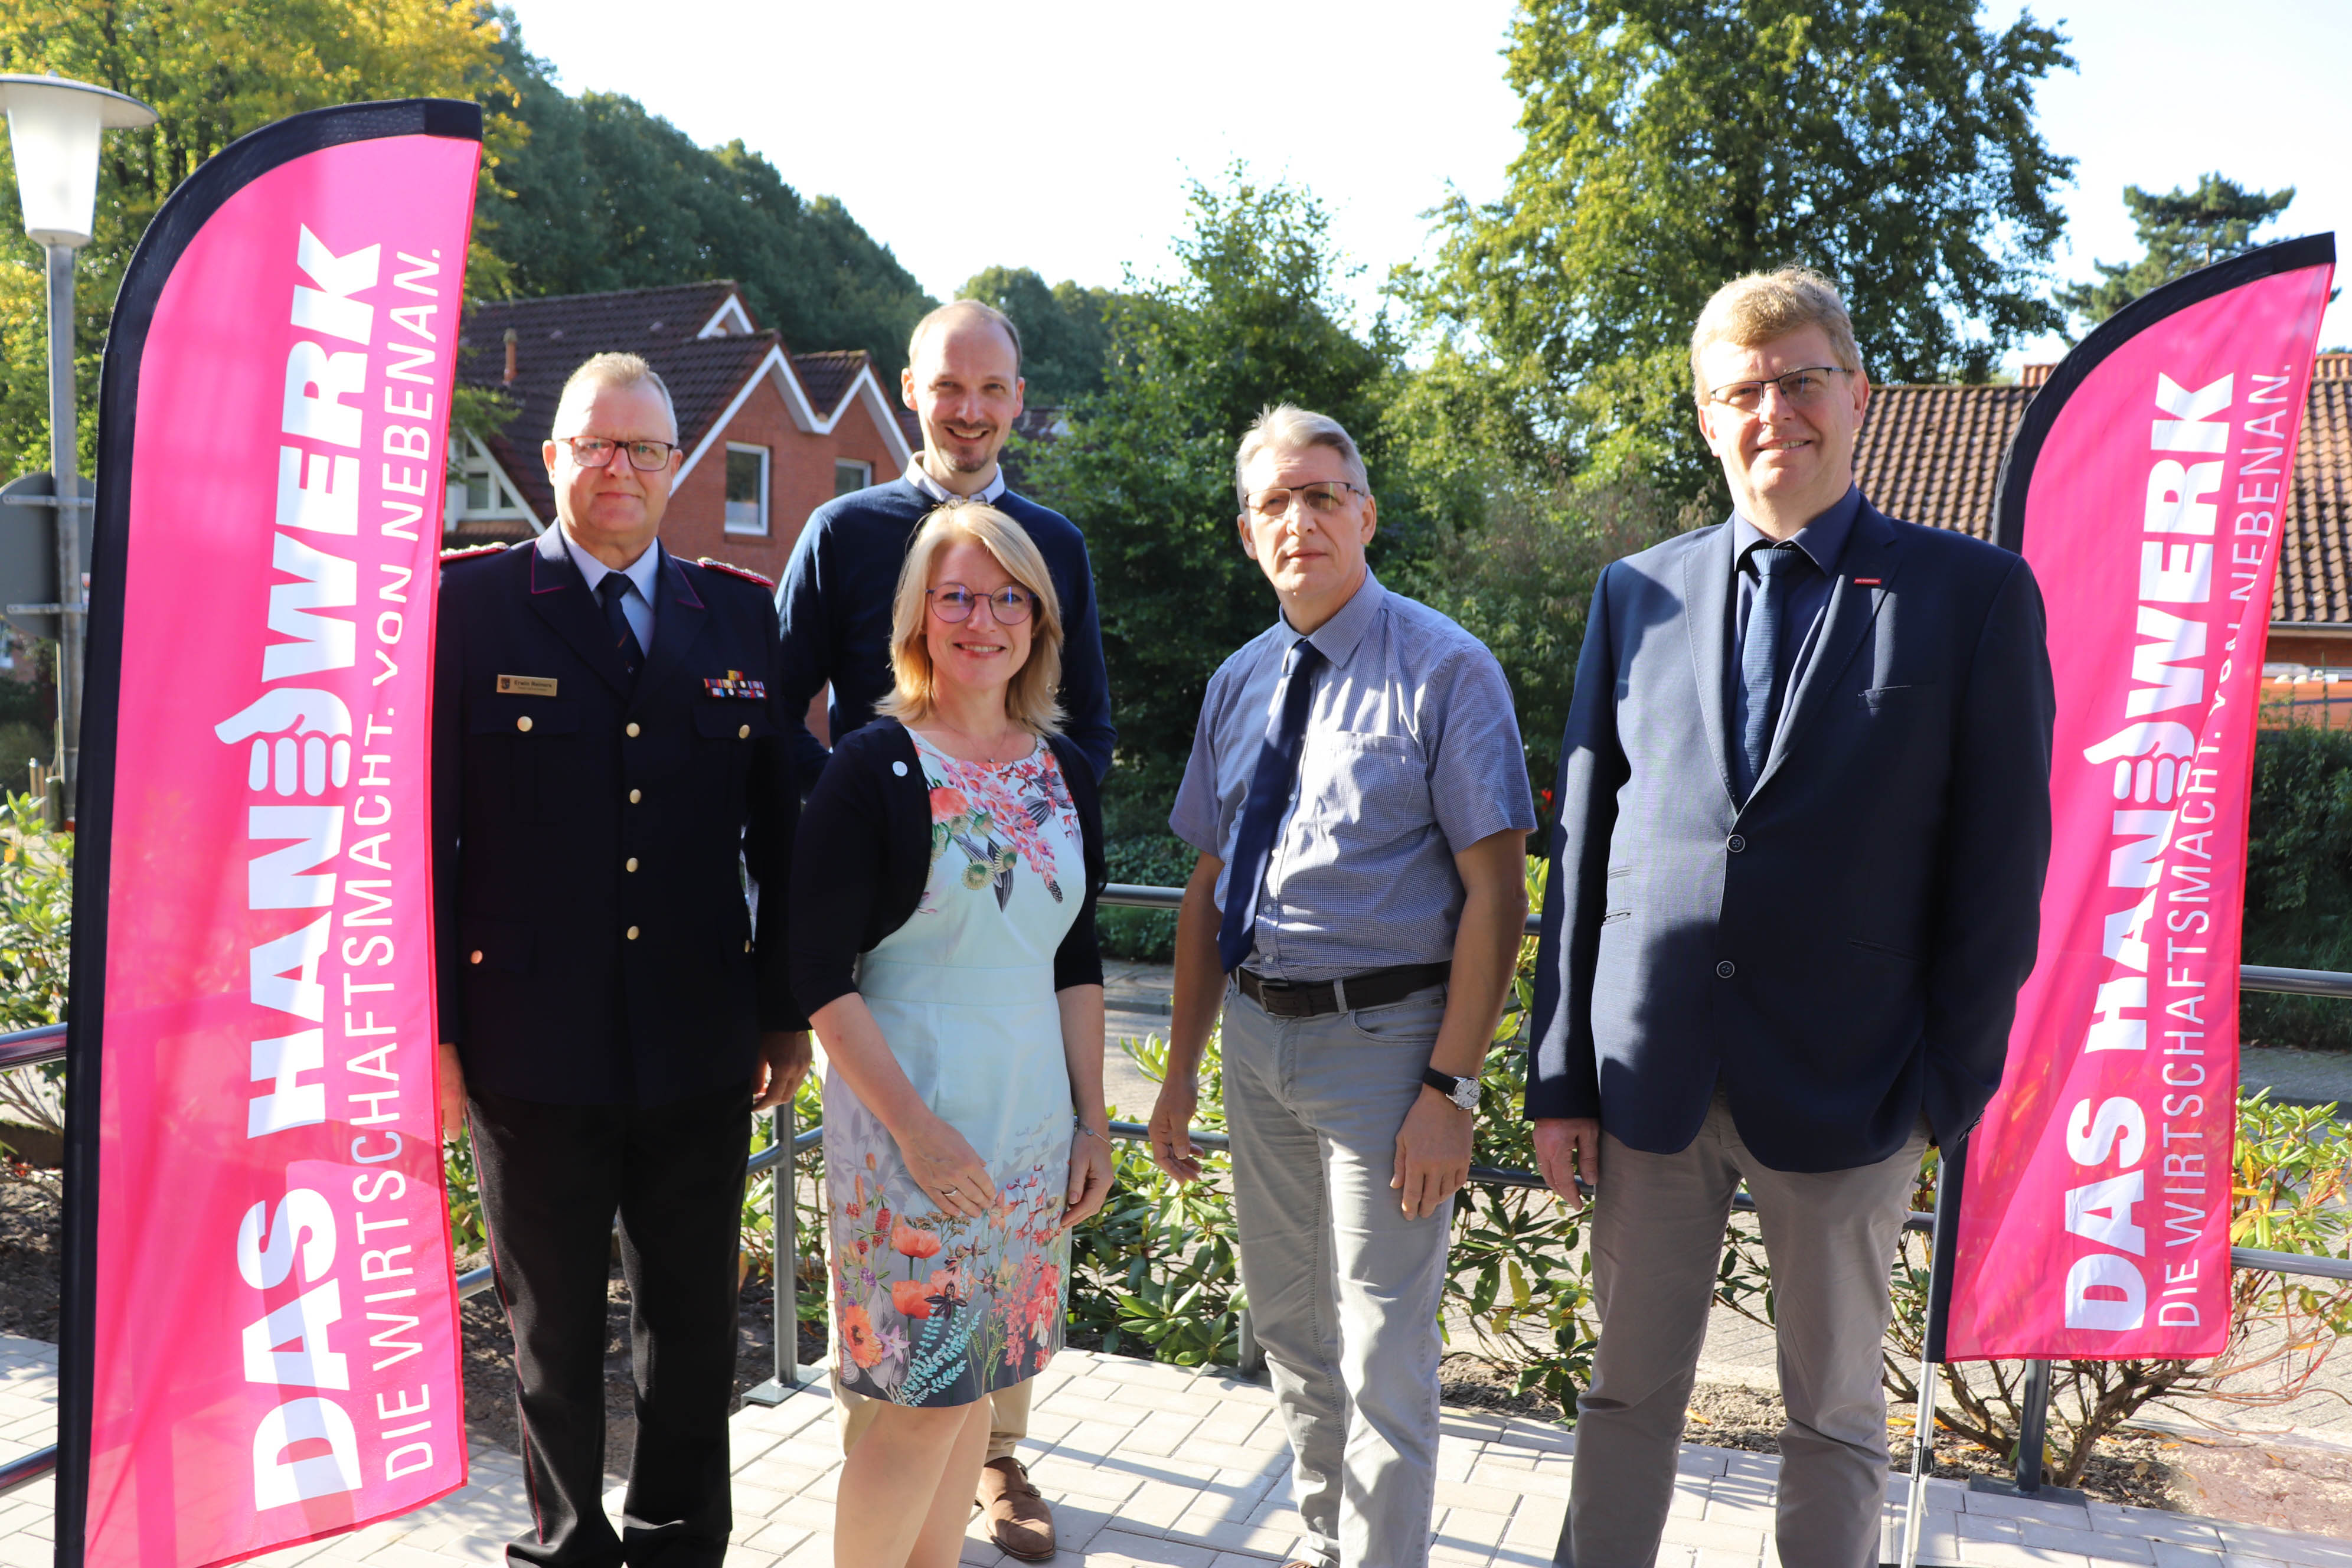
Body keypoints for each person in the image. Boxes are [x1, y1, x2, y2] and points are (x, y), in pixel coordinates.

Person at [1527, 269, 2056, 1568]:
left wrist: (1946, 1084)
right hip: (1649, 1075)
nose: (1776, 411)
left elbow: (2001, 866)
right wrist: (1559, 1074)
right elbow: (1586, 842)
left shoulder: (1970, 596)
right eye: (1743, 390)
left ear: (1856, 393)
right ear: (1709, 419)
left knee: (1830, 1411)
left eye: (1802, 379)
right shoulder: (1633, 594)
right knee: (1626, 1389)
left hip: (1853, 1082)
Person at [433, 352, 809, 1568]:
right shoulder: (467, 608)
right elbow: (419, 838)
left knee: (695, 1323)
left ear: (672, 465)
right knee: (547, 1332)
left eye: (644, 449)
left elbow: (783, 833)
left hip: (699, 1040)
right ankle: (567, 1545)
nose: (618, 468)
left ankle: (680, 1540)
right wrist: (431, 1034)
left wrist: (786, 1011)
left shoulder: (738, 615)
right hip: (524, 1042)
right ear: (551, 458)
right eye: (595, 444)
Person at [1147, 405, 1534, 1568]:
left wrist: (1449, 1089)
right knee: (1293, 1329)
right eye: (1276, 500)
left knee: (1382, 1357)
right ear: (1247, 530)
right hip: (1258, 1045)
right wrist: (1177, 1081)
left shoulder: (1446, 668)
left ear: (1365, 513)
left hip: (1389, 1053)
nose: (1301, 517)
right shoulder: (1238, 681)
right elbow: (1210, 887)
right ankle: (1329, 1543)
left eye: (1323, 495)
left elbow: (1500, 900)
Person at [778, 299, 1112, 1558]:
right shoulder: (870, 767)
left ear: (1041, 615)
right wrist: (915, 1128)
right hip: (915, 1116)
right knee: (914, 1407)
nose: (984, 620)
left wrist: (1091, 1115)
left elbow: (1075, 953)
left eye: (1008, 601)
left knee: (973, 1394)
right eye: (957, 600)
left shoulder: (1061, 768)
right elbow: (816, 966)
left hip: (1029, 1128)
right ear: (918, 616)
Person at [778, 299, 1114, 790]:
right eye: (948, 386)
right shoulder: (839, 532)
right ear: (911, 389)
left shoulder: (1057, 544)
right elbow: (773, 708)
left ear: (1018, 397)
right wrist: (851, 799)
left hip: (1019, 859)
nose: (971, 411)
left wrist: (1029, 816)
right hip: (874, 861)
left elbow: (1090, 726)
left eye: (992, 389)